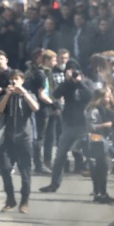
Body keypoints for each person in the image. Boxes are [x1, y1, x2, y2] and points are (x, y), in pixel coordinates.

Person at [39, 64, 92, 193]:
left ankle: (98, 189)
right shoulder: (66, 85)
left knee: (92, 156)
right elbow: (56, 94)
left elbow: (90, 96)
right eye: (72, 73)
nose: (75, 76)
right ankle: (54, 184)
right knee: (60, 156)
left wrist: (80, 83)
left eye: (76, 74)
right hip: (69, 126)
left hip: (85, 126)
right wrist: (67, 82)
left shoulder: (86, 83)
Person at [0, 70, 39, 214]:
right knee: (5, 168)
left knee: (25, 172)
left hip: (24, 139)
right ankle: (10, 198)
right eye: (12, 79)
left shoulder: (28, 95)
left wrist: (24, 93)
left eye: (17, 79)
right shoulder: (6, 96)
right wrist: (7, 94)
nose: (14, 82)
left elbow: (36, 108)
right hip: (8, 139)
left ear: (22, 80)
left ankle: (24, 201)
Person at [85, 88, 114, 204]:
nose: (108, 99)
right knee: (101, 167)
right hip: (95, 140)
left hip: (102, 140)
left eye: (109, 97)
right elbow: (91, 127)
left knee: (101, 167)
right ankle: (101, 193)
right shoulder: (93, 110)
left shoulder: (104, 109)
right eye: (106, 97)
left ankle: (100, 193)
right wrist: (104, 125)